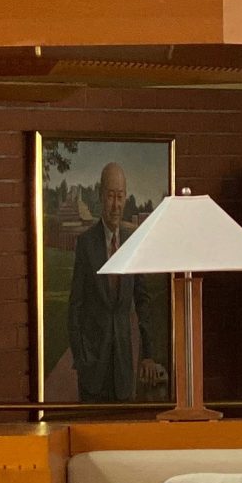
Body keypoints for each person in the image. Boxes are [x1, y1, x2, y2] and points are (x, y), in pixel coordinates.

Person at [64, 161, 167, 403]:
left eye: (120, 196)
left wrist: (148, 355)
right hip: (92, 368)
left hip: (123, 365)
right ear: (101, 197)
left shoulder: (133, 242)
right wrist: (81, 358)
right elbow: (75, 306)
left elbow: (143, 302)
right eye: (111, 196)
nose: (116, 205)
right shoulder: (87, 244)